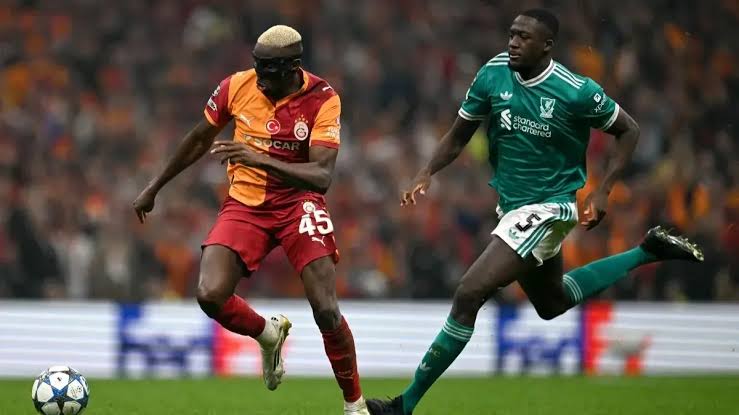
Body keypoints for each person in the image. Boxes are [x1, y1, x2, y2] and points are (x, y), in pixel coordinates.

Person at [366, 9, 703, 415]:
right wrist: (426, 171)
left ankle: (403, 406)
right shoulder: (493, 73)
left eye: (524, 37)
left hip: (550, 207)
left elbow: (628, 129)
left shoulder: (575, 91)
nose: (513, 42)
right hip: (511, 207)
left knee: (469, 292)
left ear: (547, 46)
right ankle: (647, 251)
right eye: (512, 34)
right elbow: (458, 135)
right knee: (551, 302)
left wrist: (603, 191)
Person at [133, 25, 370, 415]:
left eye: (269, 69)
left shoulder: (323, 98)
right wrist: (154, 186)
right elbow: (199, 137)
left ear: (293, 66)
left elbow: (321, 176)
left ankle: (354, 405)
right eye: (257, 66)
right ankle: (267, 333)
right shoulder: (236, 86)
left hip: (299, 202)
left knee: (326, 308)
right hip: (246, 203)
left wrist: (259, 158)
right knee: (209, 294)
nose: (259, 77)